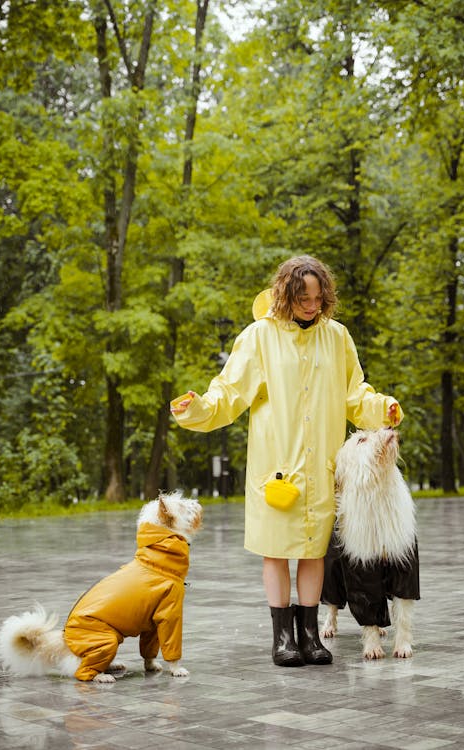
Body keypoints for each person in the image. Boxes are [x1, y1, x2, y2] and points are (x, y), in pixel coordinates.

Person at [170, 255, 403, 667]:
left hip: (320, 468)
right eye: (303, 298)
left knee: (314, 553)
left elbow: (355, 394)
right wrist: (197, 408)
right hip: (276, 466)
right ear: (285, 294)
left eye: (318, 297)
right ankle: (282, 639)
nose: (312, 305)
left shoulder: (337, 337)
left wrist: (382, 408)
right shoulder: (259, 337)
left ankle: (310, 636)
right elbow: (229, 392)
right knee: (276, 552)